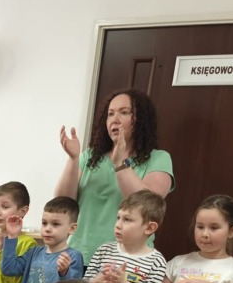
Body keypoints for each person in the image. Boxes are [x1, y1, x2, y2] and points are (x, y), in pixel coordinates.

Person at [57, 89, 174, 263]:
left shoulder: (159, 158)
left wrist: (120, 163)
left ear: (141, 119)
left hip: (127, 260)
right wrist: (73, 159)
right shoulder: (90, 156)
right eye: (110, 114)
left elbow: (147, 206)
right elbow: (62, 203)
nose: (115, 119)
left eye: (124, 112)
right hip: (79, 256)